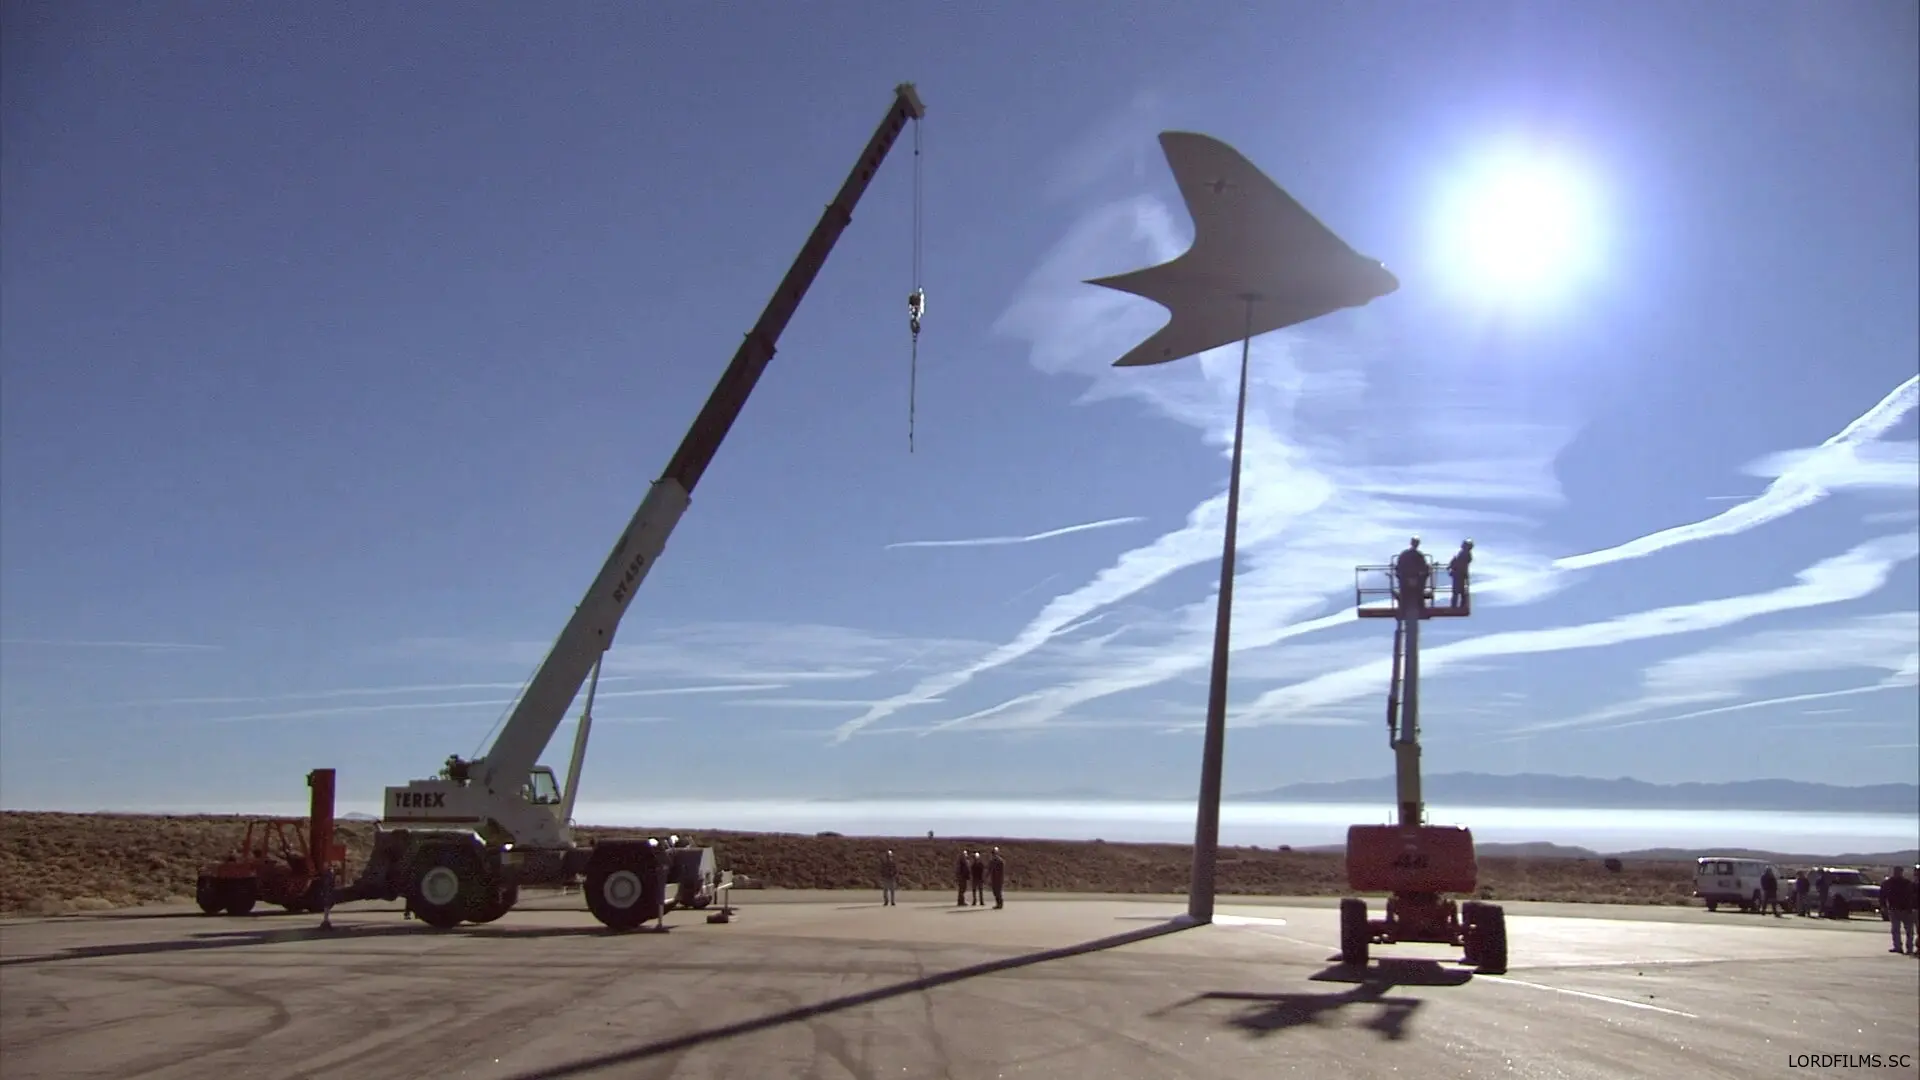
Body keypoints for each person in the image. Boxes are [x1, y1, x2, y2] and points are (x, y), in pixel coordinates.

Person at [1881, 865, 1916, 954]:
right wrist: (1883, 906)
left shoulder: (1907, 883)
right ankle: (1898, 947)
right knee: (1897, 929)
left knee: (1908, 930)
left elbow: (1912, 896)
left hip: (1906, 909)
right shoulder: (1889, 883)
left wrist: (1911, 907)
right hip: (1895, 908)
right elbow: (1883, 895)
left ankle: (1908, 948)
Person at [1393, 537, 1430, 615]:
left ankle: (1402, 609)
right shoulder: (1419, 555)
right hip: (1415, 580)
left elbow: (1398, 567)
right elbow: (1424, 568)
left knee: (1405, 594)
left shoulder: (1404, 554)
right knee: (1418, 593)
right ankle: (1421, 608)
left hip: (1405, 580)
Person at [1448, 540, 1474, 610]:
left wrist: (1452, 565)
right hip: (1460, 574)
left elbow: (1458, 563)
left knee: (1457, 591)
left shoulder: (1464, 554)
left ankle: (1455, 606)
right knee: (1460, 591)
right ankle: (1460, 605)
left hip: (1459, 574)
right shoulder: (1464, 554)